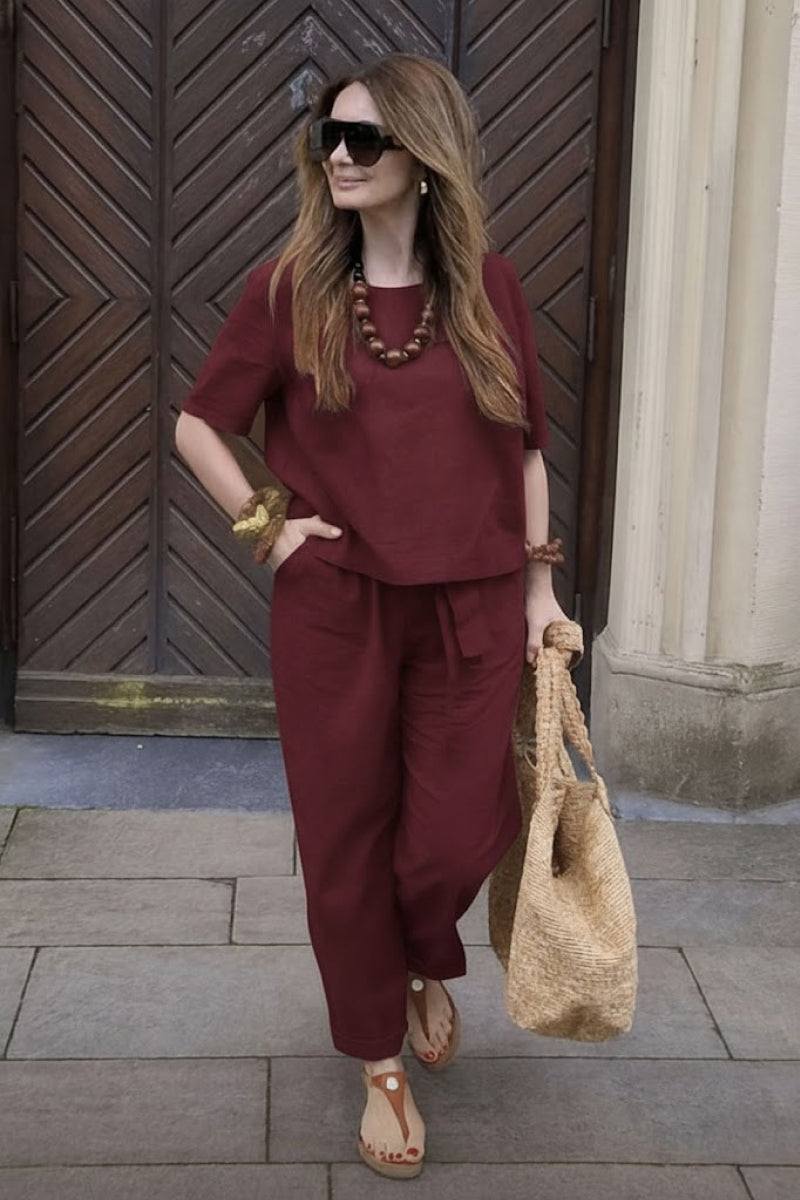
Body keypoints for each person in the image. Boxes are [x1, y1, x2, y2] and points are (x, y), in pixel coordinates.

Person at [175, 51, 568, 1180]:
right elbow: (198, 424)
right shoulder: (289, 290)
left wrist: (540, 591)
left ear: (423, 156)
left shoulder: (487, 289)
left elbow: (525, 450)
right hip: (336, 611)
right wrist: (270, 530)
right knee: (345, 839)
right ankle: (378, 1060)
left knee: (454, 831)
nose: (338, 158)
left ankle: (420, 955)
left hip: (473, 607)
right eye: (328, 139)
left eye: (363, 139)